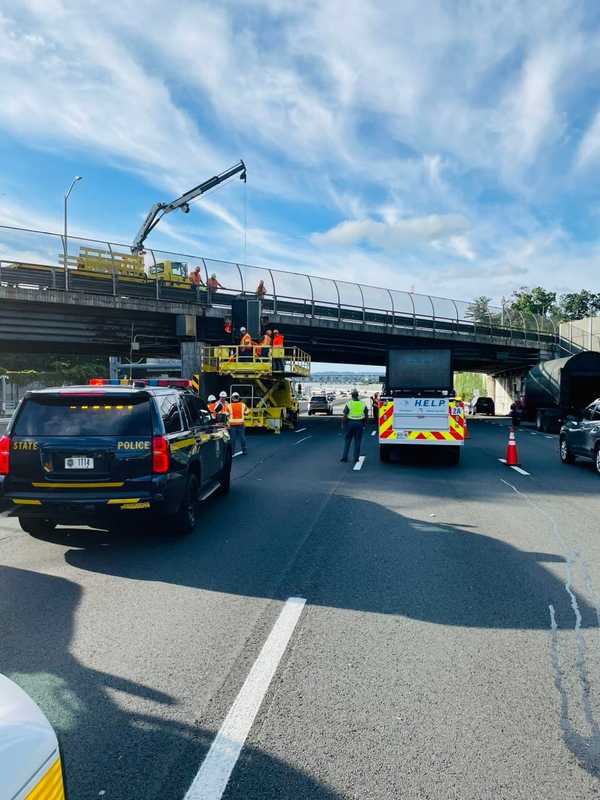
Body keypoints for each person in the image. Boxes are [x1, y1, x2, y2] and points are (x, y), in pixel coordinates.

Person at [340, 389, 369, 464]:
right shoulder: (363, 404)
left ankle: (344, 457)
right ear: (357, 396)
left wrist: (343, 424)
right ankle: (356, 458)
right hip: (359, 424)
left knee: (348, 440)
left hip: (350, 423)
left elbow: (345, 415)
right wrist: (365, 424)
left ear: (352, 396)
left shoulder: (349, 403)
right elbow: (366, 414)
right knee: (358, 441)